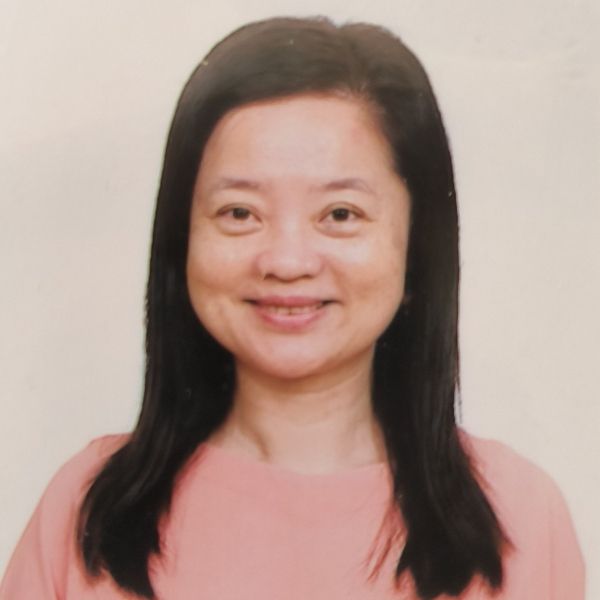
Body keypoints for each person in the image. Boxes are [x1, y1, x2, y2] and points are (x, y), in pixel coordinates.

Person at [0, 16, 585, 600]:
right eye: (239, 213)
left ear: (418, 248)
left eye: (340, 214)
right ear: (182, 240)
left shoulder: (517, 516)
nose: (286, 260)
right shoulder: (86, 508)